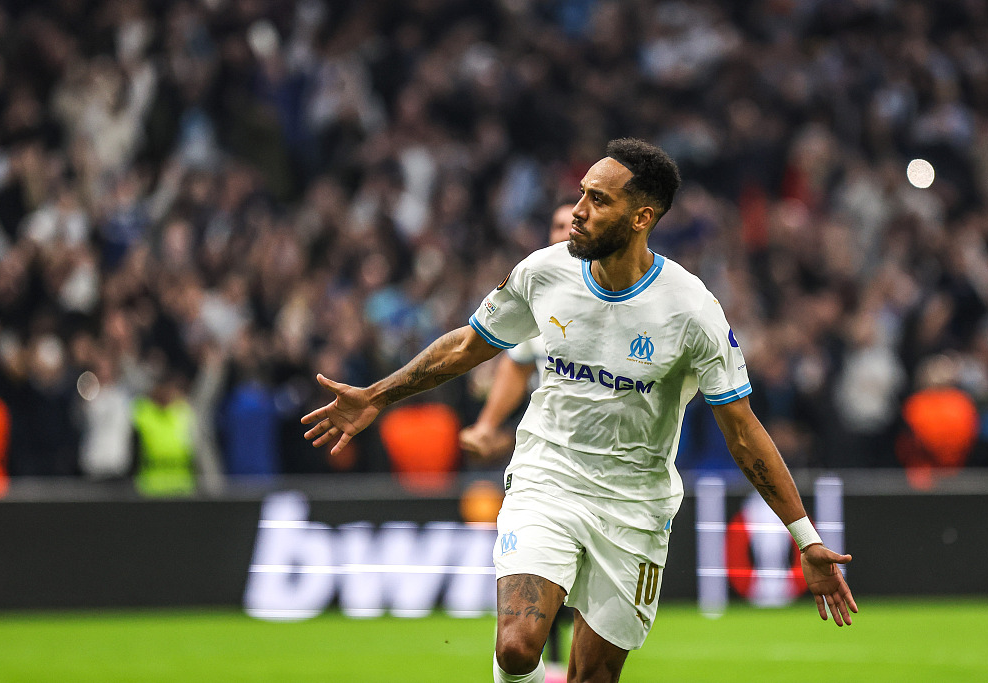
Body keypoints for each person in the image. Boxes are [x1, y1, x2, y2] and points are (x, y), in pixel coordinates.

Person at [302, 138, 858, 683]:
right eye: (581, 194)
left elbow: (741, 431)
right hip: (547, 478)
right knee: (519, 648)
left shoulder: (691, 311)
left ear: (641, 218)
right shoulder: (545, 272)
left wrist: (805, 537)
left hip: (635, 506)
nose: (579, 212)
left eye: (599, 201)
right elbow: (469, 346)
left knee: (592, 675)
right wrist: (376, 395)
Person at [459, 200, 576, 683]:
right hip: (546, 469)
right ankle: (546, 664)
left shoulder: (627, 294)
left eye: (574, 223)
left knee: (583, 594)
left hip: (614, 478)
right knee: (537, 582)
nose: (567, 231)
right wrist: (488, 424)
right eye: (557, 224)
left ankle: (562, 663)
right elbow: (516, 360)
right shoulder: (541, 295)